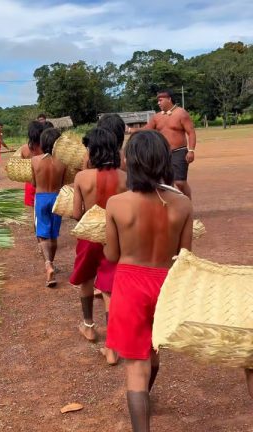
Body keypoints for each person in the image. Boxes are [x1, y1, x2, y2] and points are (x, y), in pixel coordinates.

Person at [104, 130, 193, 431]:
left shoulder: (116, 204)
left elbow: (113, 255)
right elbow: (185, 256)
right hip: (166, 284)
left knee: (135, 369)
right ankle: (145, 398)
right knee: (153, 354)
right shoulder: (182, 204)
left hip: (130, 283)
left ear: (131, 161)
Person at [70, 128, 127, 364]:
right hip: (115, 238)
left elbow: (75, 214)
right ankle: (112, 347)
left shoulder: (82, 178)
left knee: (85, 281)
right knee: (109, 290)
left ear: (92, 151)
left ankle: (89, 326)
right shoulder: (125, 177)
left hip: (88, 238)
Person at [127, 89, 197, 198]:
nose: (158, 103)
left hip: (179, 152)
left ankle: (188, 205)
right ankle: (170, 207)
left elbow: (191, 132)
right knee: (166, 183)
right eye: (158, 101)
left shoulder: (181, 113)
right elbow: (146, 129)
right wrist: (130, 130)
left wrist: (191, 150)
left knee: (180, 182)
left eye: (160, 100)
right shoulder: (157, 117)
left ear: (169, 99)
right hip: (162, 153)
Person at [30, 127, 66, 287]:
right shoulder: (63, 162)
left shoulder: (35, 161)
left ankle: (48, 264)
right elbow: (64, 182)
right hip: (57, 197)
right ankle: (52, 263)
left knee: (43, 234)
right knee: (53, 235)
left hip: (42, 197)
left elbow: (33, 183)